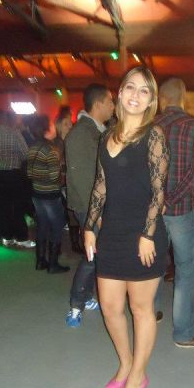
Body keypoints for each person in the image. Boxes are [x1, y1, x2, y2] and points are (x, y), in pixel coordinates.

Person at [83, 67, 169, 388]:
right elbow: (100, 185)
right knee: (110, 307)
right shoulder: (107, 136)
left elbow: (159, 191)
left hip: (144, 234)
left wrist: (148, 233)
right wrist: (90, 226)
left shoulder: (154, 135)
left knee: (140, 308)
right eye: (130, 87)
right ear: (119, 93)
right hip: (112, 233)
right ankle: (126, 362)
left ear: (151, 100)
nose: (135, 95)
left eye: (144, 90)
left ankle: (137, 377)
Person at [153, 78, 194, 348]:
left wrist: (159, 201)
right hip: (183, 211)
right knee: (185, 271)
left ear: (161, 99)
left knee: (153, 265)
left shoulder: (150, 126)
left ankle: (150, 313)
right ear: (182, 97)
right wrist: (171, 200)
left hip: (153, 212)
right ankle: (183, 333)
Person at [64, 84, 115, 327]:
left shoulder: (96, 130)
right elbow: (82, 178)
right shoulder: (81, 134)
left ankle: (85, 297)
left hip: (97, 204)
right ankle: (76, 305)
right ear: (98, 104)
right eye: (110, 101)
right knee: (92, 256)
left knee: (96, 253)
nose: (113, 107)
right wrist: (96, 214)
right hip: (89, 206)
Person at [0, 110, 35, 248]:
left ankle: (7, 237)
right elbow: (25, 154)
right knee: (17, 207)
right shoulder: (15, 133)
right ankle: (21, 238)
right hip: (14, 174)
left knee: (2, 208)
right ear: (6, 120)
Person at [27, 114, 69, 274]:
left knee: (42, 226)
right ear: (46, 130)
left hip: (37, 193)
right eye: (51, 125)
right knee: (57, 226)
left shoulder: (33, 147)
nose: (54, 128)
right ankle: (53, 263)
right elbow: (54, 176)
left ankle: (40, 260)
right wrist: (62, 172)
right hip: (50, 194)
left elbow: (30, 172)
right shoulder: (50, 150)